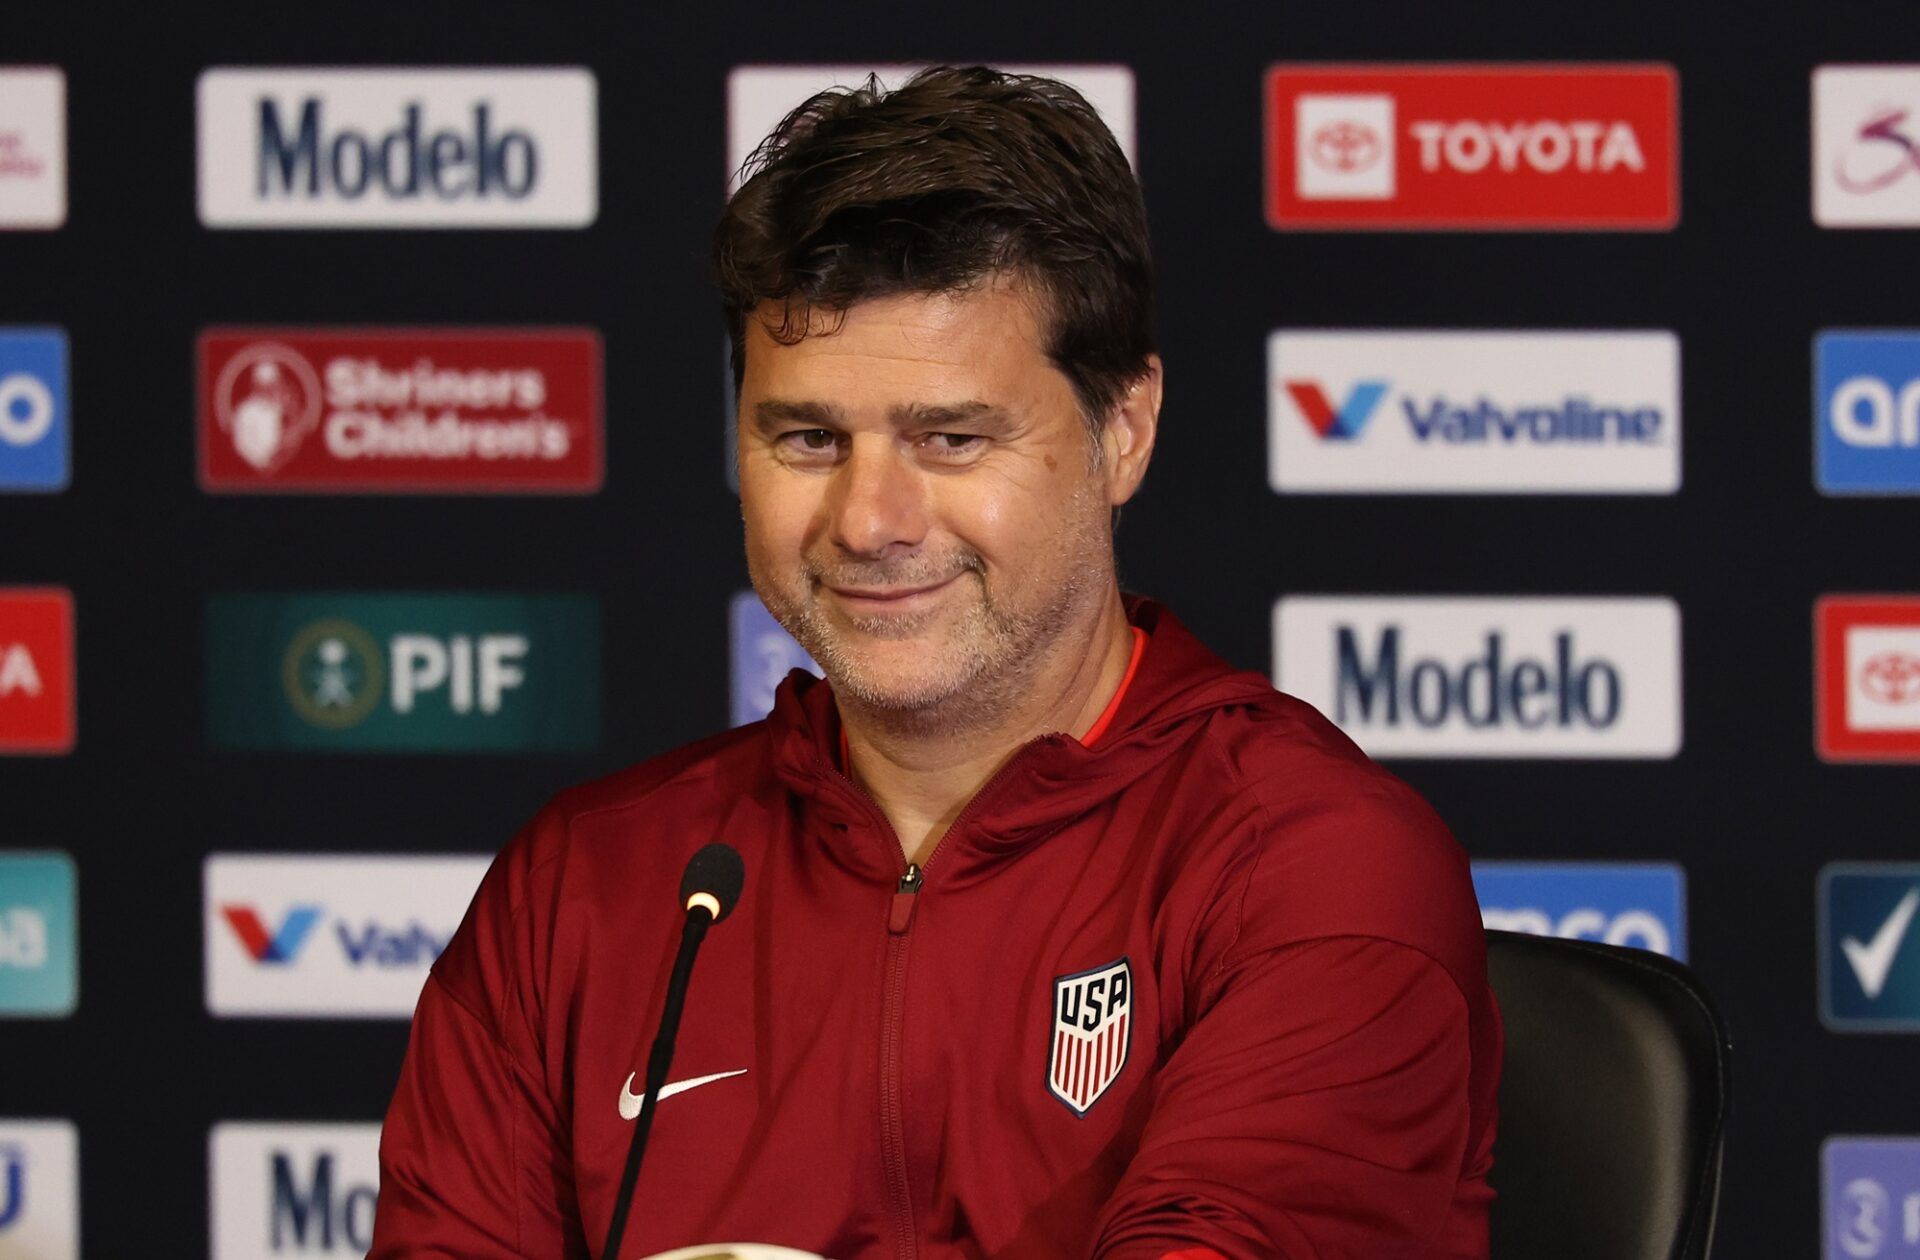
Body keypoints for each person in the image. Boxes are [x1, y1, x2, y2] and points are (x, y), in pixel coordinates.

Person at [371, 65, 1500, 1260]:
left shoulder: (1315, 872)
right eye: (808, 439)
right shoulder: (583, 889)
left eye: (950, 439)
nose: (869, 520)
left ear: (1124, 430)